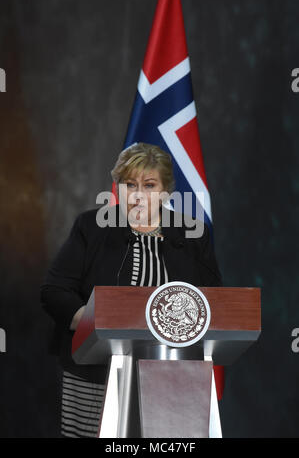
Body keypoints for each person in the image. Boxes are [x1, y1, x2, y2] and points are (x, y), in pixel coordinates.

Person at [40, 142, 222, 438]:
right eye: (129, 184)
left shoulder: (193, 234)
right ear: (118, 188)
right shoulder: (91, 227)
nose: (138, 195)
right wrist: (91, 322)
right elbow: (54, 291)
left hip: (175, 376)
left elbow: (214, 300)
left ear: (165, 191)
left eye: (149, 185)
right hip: (94, 372)